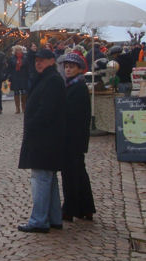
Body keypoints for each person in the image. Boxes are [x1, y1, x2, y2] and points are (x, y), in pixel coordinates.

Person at [17, 48, 66, 233]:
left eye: (42, 60)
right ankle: (54, 217)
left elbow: (47, 110)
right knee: (48, 178)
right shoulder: (47, 78)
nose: (38, 63)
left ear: (52, 61)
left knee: (41, 179)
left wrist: (33, 124)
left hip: (45, 137)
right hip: (46, 137)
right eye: (37, 60)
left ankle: (39, 220)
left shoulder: (52, 80)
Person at [60, 53, 96, 222]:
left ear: (79, 69)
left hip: (73, 138)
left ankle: (70, 208)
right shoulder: (72, 85)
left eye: (71, 67)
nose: (68, 69)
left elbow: (72, 113)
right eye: (66, 67)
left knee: (71, 174)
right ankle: (86, 207)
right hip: (74, 137)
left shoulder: (78, 87)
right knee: (79, 172)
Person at [7, 45, 29, 114]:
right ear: (15, 51)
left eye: (20, 50)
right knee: (16, 92)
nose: (19, 51)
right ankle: (17, 108)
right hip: (15, 77)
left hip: (23, 76)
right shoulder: (11, 58)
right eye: (17, 50)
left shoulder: (25, 57)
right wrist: (9, 76)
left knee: (24, 92)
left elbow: (27, 67)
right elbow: (9, 68)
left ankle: (24, 107)